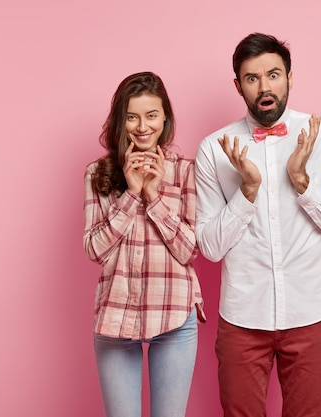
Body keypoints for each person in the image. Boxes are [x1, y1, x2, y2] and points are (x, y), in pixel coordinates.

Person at [194, 33, 321, 416]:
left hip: (310, 311)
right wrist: (247, 191)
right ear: (238, 85)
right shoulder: (213, 149)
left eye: (273, 74)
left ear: (289, 77)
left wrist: (302, 182)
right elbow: (210, 247)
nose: (264, 87)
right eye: (252, 78)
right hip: (242, 317)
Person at [83, 71, 204, 417]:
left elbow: (188, 250)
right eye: (133, 116)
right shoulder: (98, 173)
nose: (142, 126)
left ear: (165, 116)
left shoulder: (184, 171)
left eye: (151, 115)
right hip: (115, 316)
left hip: (174, 315)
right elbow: (94, 249)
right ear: (121, 120)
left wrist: (153, 195)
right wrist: (132, 192)